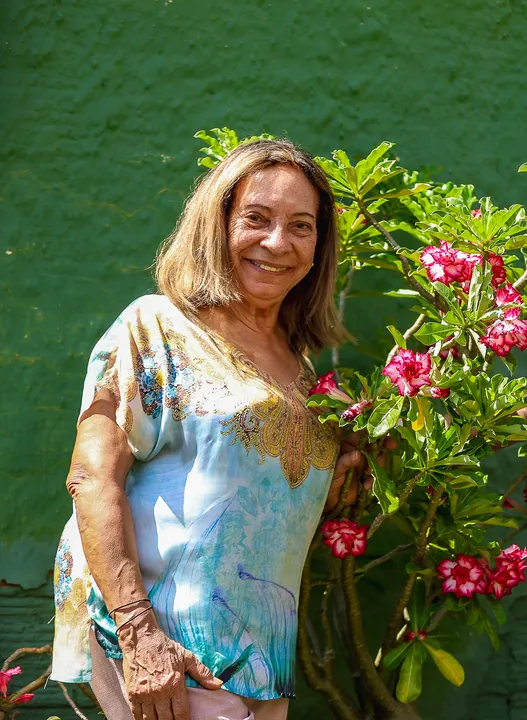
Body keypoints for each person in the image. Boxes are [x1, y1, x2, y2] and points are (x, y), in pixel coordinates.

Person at [50, 139, 365, 720]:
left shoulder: (300, 371)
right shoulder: (158, 325)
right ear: (216, 224)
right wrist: (140, 634)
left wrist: (350, 453)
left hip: (260, 662)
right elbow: (91, 477)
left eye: (301, 226)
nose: (277, 243)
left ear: (320, 246)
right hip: (163, 646)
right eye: (256, 218)